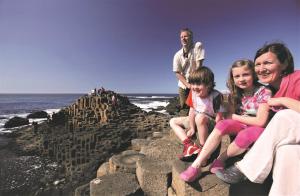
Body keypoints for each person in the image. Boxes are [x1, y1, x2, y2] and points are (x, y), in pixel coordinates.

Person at [216, 42, 300, 196]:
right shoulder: (269, 91)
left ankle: (245, 168)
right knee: (287, 152)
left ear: (284, 63)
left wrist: (283, 101)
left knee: (284, 115)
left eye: (267, 62)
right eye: (258, 64)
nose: (261, 69)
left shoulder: (297, 79)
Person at [180, 59, 273, 182]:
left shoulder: (264, 92)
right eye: (237, 76)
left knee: (246, 135)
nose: (241, 79)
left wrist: (236, 117)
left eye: (245, 74)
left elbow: (261, 121)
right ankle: (196, 165)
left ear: (254, 74)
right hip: (242, 124)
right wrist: (235, 118)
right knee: (222, 124)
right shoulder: (235, 93)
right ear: (232, 78)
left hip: (257, 128)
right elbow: (228, 116)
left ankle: (220, 160)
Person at [170, 66, 224, 161]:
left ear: (209, 84)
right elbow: (191, 110)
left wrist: (217, 133)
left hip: (209, 121)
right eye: (193, 83)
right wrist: (192, 128)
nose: (194, 87)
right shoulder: (193, 93)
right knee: (172, 121)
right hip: (195, 119)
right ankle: (189, 145)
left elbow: (219, 116)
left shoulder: (216, 96)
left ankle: (203, 151)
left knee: (200, 118)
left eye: (198, 84)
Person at [173, 28, 205, 109]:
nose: (183, 38)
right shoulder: (177, 55)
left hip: (196, 81)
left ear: (191, 37)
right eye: (181, 37)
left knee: (199, 106)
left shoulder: (198, 46)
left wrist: (194, 82)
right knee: (184, 107)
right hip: (183, 84)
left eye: (185, 36)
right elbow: (177, 72)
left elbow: (199, 65)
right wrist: (187, 85)